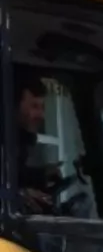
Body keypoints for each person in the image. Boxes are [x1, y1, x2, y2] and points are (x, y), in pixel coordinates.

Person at [12, 69, 60, 213]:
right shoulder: (7, 142)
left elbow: (14, 176)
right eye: (34, 106)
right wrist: (19, 195)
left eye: (42, 107)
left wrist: (42, 174)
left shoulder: (19, 141)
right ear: (14, 106)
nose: (41, 115)